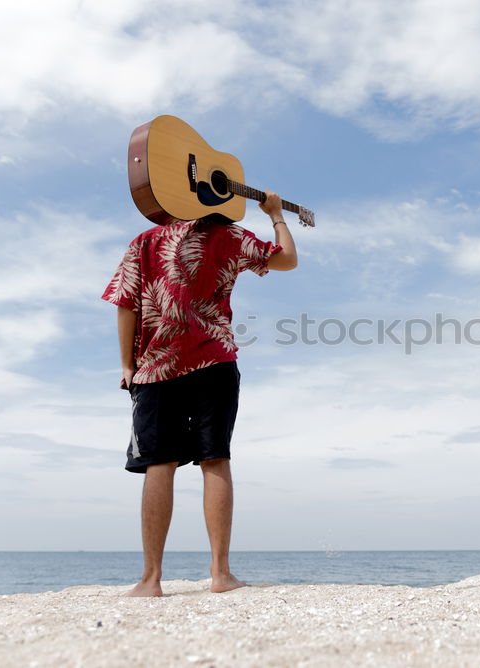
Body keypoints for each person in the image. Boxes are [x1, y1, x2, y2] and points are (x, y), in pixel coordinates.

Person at [100, 192, 297, 597]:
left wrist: (126, 364)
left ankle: (151, 579)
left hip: (158, 366)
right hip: (215, 361)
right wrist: (276, 215)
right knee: (215, 460)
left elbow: (125, 304)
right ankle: (221, 574)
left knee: (159, 464)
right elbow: (286, 258)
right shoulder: (228, 235)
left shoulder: (145, 242)